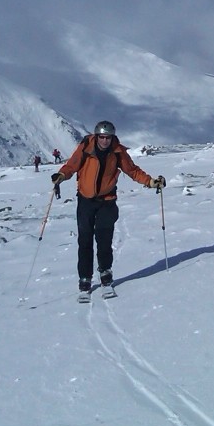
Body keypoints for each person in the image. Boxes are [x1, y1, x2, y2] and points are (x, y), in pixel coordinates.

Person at [52, 120, 165, 299]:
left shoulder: (117, 151)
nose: (105, 141)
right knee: (85, 240)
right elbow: (71, 166)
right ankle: (85, 279)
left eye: (108, 137)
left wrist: (150, 182)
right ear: (96, 137)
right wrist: (61, 175)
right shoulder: (85, 148)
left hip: (107, 201)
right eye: (102, 137)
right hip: (86, 201)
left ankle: (105, 275)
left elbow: (132, 171)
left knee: (104, 240)